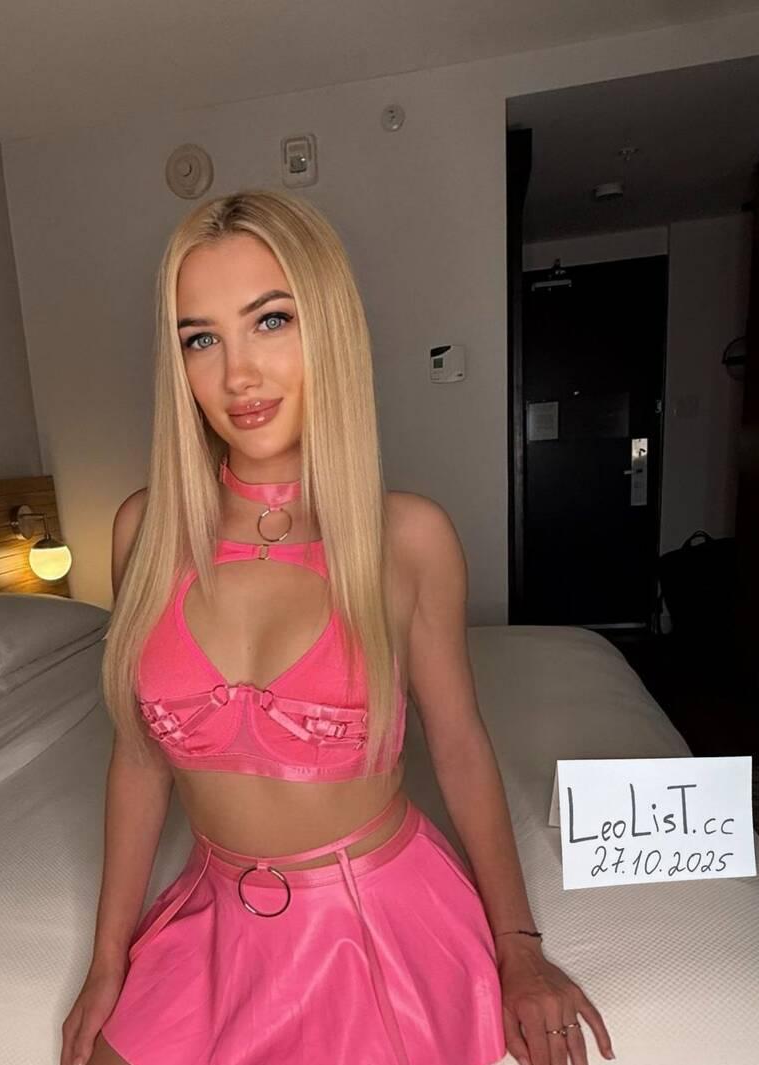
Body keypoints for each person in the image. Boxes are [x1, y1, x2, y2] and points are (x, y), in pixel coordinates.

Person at [61, 189, 615, 1065]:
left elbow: (459, 744)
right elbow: (137, 757)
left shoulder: (410, 538)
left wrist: (518, 944)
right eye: (201, 338)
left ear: (328, 327)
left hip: (374, 921)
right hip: (212, 920)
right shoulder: (144, 530)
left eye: (270, 320)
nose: (237, 375)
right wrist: (105, 959)